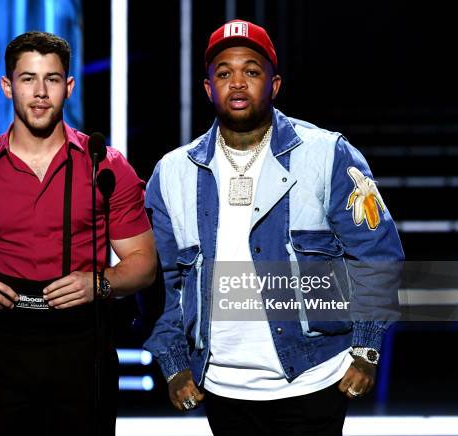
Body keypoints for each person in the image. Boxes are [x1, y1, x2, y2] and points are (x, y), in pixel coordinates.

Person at [144, 19, 403, 435]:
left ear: (275, 84)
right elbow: (165, 282)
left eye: (252, 71)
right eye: (224, 73)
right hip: (221, 386)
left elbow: (377, 253)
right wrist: (174, 365)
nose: (238, 83)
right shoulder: (173, 172)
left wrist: (366, 349)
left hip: (315, 376)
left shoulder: (326, 153)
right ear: (209, 88)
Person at [0, 31, 156, 436]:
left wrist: (98, 283)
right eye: (28, 78)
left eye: (51, 79)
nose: (40, 92)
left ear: (68, 87)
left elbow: (144, 265)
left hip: (83, 343)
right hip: (5, 342)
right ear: (7, 86)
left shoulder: (107, 167)